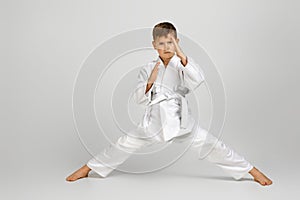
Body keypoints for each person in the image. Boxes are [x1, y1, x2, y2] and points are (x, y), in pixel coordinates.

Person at [66, 22, 273, 186]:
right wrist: (151, 80)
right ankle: (89, 168)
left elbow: (198, 78)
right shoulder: (148, 68)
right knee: (123, 144)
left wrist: (182, 55)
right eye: (162, 43)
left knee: (212, 144)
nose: (166, 47)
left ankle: (251, 170)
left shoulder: (182, 63)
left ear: (177, 43)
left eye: (170, 43)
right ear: (154, 45)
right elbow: (138, 98)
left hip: (180, 121)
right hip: (153, 122)